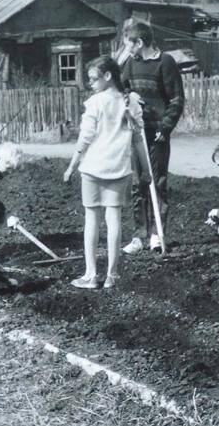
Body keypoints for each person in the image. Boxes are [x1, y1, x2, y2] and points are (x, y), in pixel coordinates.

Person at [64, 57, 146, 289]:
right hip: (119, 168)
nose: (90, 83)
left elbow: (85, 138)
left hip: (93, 168)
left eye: (93, 79)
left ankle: (91, 275)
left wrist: (71, 166)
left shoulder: (95, 102)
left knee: (92, 220)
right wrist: (146, 171)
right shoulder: (130, 102)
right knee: (114, 220)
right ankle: (112, 275)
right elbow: (139, 139)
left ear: (107, 76)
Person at [120, 21, 185, 254]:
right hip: (137, 132)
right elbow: (122, 88)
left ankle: (158, 234)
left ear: (140, 42)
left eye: (129, 44)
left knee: (157, 183)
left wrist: (165, 128)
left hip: (157, 133)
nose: (127, 49)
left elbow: (177, 100)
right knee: (138, 184)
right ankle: (139, 236)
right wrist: (129, 97)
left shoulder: (164, 63)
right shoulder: (131, 63)